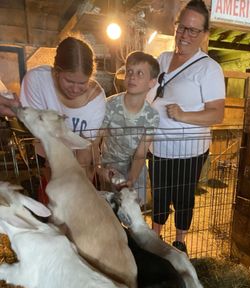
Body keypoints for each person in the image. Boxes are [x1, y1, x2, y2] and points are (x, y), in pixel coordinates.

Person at [147, 0, 225, 254]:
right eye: (183, 27)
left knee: (182, 196)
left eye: (193, 30)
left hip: (188, 149)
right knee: (158, 193)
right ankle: (154, 238)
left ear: (204, 35)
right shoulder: (163, 58)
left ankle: (180, 241)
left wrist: (183, 115)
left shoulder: (209, 69)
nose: (185, 35)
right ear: (175, 26)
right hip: (158, 146)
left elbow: (217, 114)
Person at [20, 35, 106, 182]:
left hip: (80, 160)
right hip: (47, 157)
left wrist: (80, 184)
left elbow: (85, 148)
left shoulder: (96, 98)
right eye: (69, 81)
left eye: (82, 83)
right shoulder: (36, 81)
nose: (75, 89)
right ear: (56, 72)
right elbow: (43, 135)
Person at [98, 51, 160, 205]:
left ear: (152, 82)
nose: (132, 77)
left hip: (135, 170)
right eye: (130, 72)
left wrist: (131, 179)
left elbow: (141, 153)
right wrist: (99, 169)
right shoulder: (109, 106)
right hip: (109, 170)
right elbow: (94, 141)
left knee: (135, 214)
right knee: (111, 214)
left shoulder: (152, 116)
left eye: (140, 74)